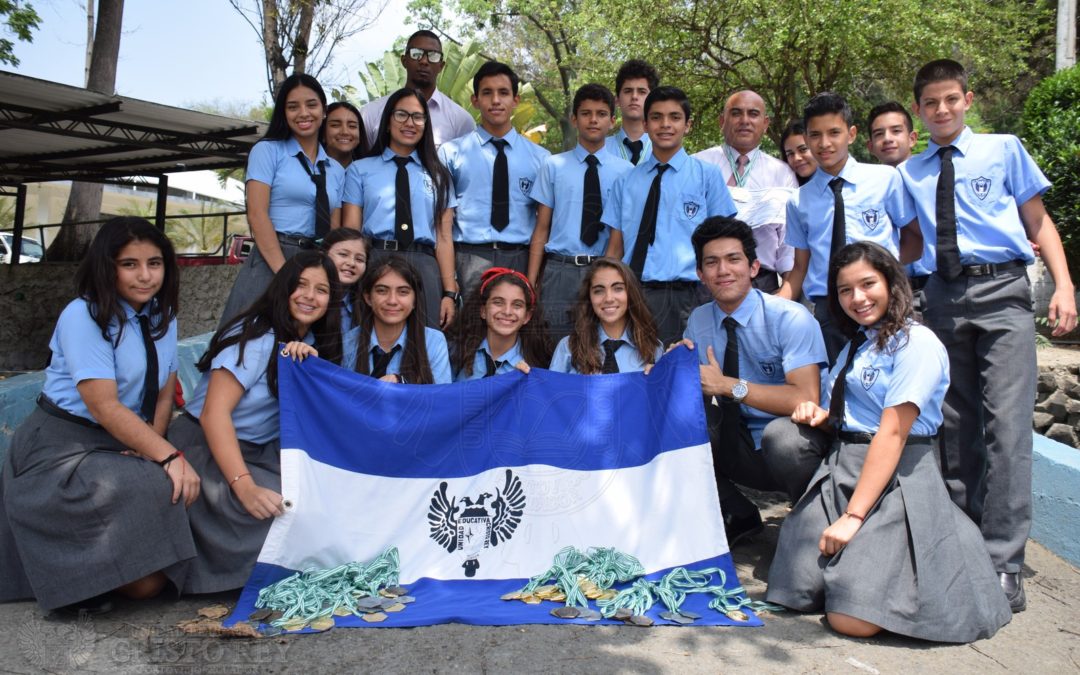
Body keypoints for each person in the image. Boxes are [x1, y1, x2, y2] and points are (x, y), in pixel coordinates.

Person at [898, 59, 1077, 612]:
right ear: (919, 111)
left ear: (967, 100)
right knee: (954, 428)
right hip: (941, 298)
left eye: (951, 99)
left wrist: (1065, 286)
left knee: (1006, 425)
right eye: (931, 103)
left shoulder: (1003, 149)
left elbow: (1039, 222)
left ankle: (1005, 559)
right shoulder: (912, 170)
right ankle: (961, 539)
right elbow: (908, 244)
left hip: (1002, 293)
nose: (942, 110)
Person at [765, 241, 1013, 642]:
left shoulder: (917, 342)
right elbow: (851, 413)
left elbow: (893, 432)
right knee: (794, 587)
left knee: (852, 620)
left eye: (867, 284)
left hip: (898, 473)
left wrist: (854, 517)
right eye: (845, 290)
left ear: (891, 283)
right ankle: (858, 567)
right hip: (843, 462)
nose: (857, 298)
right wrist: (821, 416)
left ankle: (885, 569)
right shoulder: (856, 344)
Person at [0, 217, 199, 613]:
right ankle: (76, 575)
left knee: (179, 483)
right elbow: (103, 405)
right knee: (159, 498)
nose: (145, 276)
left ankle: (113, 572)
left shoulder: (163, 315)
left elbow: (163, 393)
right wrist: (169, 456)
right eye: (129, 264)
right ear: (106, 266)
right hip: (61, 448)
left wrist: (152, 450)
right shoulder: (83, 315)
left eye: (154, 263)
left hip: (122, 440)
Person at [168, 251, 342, 593]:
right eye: (301, 285)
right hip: (209, 448)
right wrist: (244, 487)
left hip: (261, 451)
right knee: (282, 518)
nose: (310, 296)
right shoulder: (256, 334)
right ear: (283, 287)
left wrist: (310, 374)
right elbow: (213, 415)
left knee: (319, 508)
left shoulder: (309, 342)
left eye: (321, 290)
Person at [672, 216, 827, 544]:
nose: (723, 270)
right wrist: (672, 368)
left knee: (783, 438)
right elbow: (690, 392)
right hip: (736, 441)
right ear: (700, 274)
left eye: (733, 259)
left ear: (754, 267)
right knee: (673, 425)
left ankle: (812, 516)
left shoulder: (791, 317)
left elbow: (806, 398)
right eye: (711, 263)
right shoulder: (699, 321)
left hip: (793, 443)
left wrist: (728, 385)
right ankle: (738, 512)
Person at [777, 92, 922, 364]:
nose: (825, 143)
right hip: (829, 312)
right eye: (815, 135)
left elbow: (915, 236)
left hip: (883, 303)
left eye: (834, 132)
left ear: (851, 134)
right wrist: (776, 305)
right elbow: (800, 267)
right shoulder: (799, 201)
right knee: (837, 387)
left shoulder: (884, 180)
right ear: (806, 139)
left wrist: (885, 272)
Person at [603, 86, 737, 345]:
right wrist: (605, 288)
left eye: (674, 117)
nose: (665, 125)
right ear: (644, 123)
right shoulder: (626, 181)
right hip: (635, 292)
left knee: (688, 371)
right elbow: (615, 246)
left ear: (688, 125)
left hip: (690, 294)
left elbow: (725, 241)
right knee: (639, 366)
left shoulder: (706, 176)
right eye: (656, 117)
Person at [219, 74, 346, 329]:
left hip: (314, 262)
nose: (303, 113)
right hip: (273, 255)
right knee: (246, 342)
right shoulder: (268, 151)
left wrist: (322, 274)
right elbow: (257, 215)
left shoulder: (336, 169)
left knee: (302, 348)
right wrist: (286, 274)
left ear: (323, 110)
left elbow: (334, 229)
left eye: (311, 104)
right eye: (292, 106)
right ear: (283, 113)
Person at [344, 88, 459, 330]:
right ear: (387, 122)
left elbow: (444, 238)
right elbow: (351, 234)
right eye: (401, 115)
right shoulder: (360, 170)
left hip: (424, 265)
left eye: (417, 117)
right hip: (375, 260)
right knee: (368, 340)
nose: (410, 123)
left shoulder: (440, 176)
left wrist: (449, 292)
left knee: (426, 342)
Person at [527, 83, 633, 339]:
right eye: (586, 113)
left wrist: (609, 273)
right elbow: (541, 228)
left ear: (612, 121)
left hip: (604, 269)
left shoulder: (626, 172)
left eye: (601, 113)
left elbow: (623, 234)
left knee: (600, 343)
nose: (593, 120)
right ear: (574, 119)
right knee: (553, 345)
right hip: (560, 270)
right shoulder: (553, 166)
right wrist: (529, 285)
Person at [440, 61, 551, 298]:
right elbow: (443, 225)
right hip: (469, 258)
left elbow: (544, 224)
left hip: (520, 257)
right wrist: (449, 284)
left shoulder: (541, 159)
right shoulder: (451, 153)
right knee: (467, 331)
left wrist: (532, 280)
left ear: (516, 100)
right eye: (487, 93)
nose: (496, 100)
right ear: (475, 100)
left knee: (517, 331)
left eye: (503, 93)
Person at [694, 90, 799, 292]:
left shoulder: (781, 173)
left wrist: (787, 288)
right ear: (722, 121)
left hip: (762, 280)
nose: (744, 120)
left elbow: (790, 239)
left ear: (765, 123)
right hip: (708, 279)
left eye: (753, 113)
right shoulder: (698, 165)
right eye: (736, 113)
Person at [343, 256, 453, 384]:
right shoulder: (348, 342)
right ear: (368, 298)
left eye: (403, 292)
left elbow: (440, 398)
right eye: (382, 291)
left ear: (415, 300)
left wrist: (402, 383)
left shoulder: (433, 341)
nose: (392, 301)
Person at [865, 101, 932, 310]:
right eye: (879, 134)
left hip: (932, 284)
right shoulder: (866, 186)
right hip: (885, 288)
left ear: (912, 138)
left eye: (896, 131)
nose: (887, 139)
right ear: (870, 146)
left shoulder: (932, 177)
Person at [360, 30, 475, 149]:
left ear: (441, 66)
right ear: (404, 61)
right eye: (416, 54)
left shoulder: (461, 120)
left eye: (433, 56)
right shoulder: (371, 113)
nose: (424, 61)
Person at [549, 258, 662, 374]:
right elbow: (550, 390)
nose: (608, 299)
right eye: (598, 291)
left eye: (618, 289)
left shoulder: (653, 348)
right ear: (589, 298)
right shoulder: (568, 347)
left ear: (631, 293)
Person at [453, 267, 553, 380]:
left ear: (527, 316)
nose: (507, 312)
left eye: (517, 305)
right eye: (498, 302)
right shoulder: (458, 351)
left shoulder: (534, 367)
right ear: (483, 311)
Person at [604, 59, 660, 165]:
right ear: (617, 100)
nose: (634, 97)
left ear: (654, 100)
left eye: (642, 92)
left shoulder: (664, 148)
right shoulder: (601, 149)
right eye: (628, 91)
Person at [320, 227, 369, 331]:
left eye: (359, 259)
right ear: (323, 255)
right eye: (343, 254)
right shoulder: (306, 296)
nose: (351, 263)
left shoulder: (367, 306)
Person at [321, 101, 367, 169]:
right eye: (335, 125)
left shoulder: (370, 171)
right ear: (323, 132)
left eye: (352, 126)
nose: (345, 132)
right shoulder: (307, 170)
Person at [780, 120, 817, 186]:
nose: (796, 158)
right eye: (790, 154)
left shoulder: (838, 183)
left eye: (803, 149)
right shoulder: (789, 191)